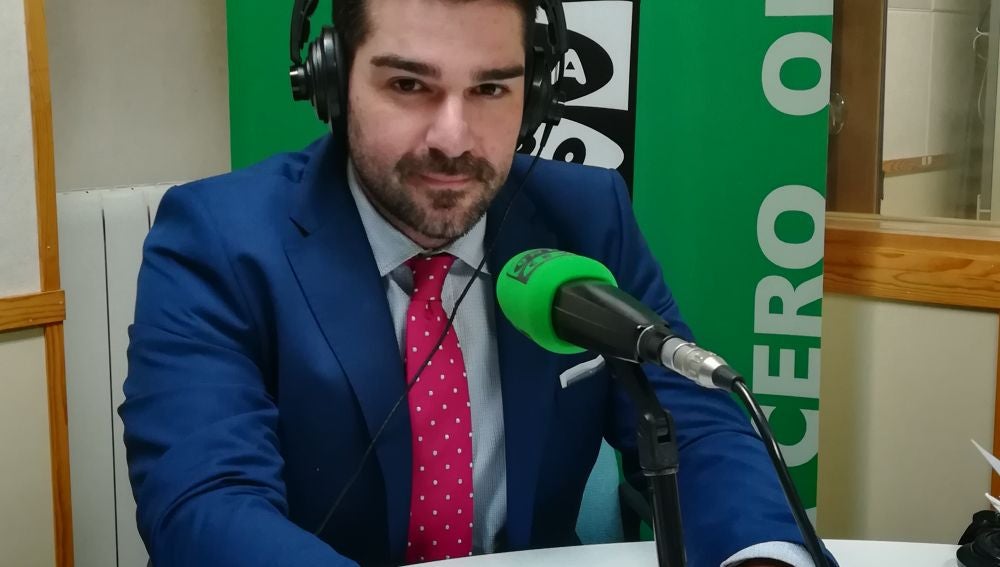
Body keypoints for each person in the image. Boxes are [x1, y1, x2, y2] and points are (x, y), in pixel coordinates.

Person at [119, 1, 834, 566]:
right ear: (332, 81)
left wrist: (760, 558)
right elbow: (205, 502)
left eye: (491, 88)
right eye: (408, 85)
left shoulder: (587, 217)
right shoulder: (219, 238)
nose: (454, 139)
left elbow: (693, 424)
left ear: (537, 92)